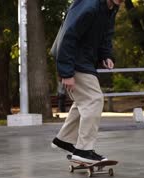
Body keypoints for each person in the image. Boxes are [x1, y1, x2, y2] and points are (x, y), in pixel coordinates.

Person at [50, 0, 124, 163]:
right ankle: (84, 151)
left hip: (84, 60)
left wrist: (106, 55)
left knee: (83, 101)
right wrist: (66, 72)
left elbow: (106, 34)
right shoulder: (89, 6)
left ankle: (65, 139)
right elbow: (68, 36)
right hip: (74, 60)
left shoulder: (111, 8)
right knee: (93, 100)